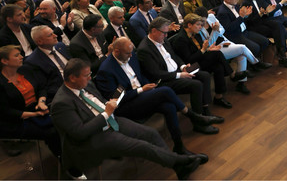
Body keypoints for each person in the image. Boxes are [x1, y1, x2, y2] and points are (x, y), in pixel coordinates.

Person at [50, 58, 207, 180]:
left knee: (150, 134)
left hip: (111, 121)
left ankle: (178, 166)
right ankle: (180, 162)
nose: (90, 77)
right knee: (142, 147)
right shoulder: (61, 103)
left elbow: (98, 102)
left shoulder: (86, 84)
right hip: (94, 138)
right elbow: (80, 133)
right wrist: (106, 113)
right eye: (86, 75)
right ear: (72, 78)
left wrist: (109, 105)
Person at [94, 37, 222, 145]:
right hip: (127, 104)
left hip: (143, 94)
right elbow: (116, 100)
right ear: (116, 51)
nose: (131, 55)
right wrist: (140, 90)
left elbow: (139, 76)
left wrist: (147, 85)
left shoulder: (130, 56)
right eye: (128, 53)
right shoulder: (106, 70)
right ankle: (193, 116)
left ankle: (179, 146)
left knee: (169, 106)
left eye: (131, 52)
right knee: (165, 90)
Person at [0, 45, 61, 158]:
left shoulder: (25, 69)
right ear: (4, 61)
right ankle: (64, 160)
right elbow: (6, 111)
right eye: (16, 55)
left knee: (64, 120)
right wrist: (34, 114)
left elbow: (41, 87)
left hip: (38, 107)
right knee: (53, 132)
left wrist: (41, 102)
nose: (22, 57)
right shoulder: (1, 83)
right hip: (18, 119)